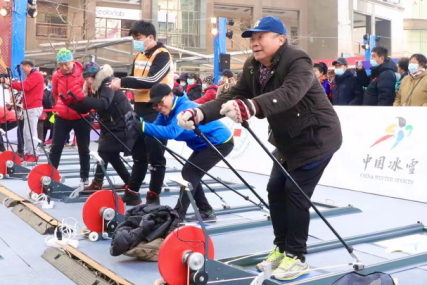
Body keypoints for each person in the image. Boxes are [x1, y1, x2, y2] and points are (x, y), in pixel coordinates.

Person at [177, 16, 342, 281]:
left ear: (280, 39)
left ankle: (296, 257)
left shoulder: (297, 60)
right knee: (275, 190)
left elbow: (290, 92)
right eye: (252, 38)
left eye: (261, 36)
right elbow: (231, 95)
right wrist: (199, 113)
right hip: (287, 141)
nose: (255, 43)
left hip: (316, 138)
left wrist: (252, 106)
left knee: (295, 194)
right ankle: (280, 248)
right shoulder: (254, 66)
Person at [125, 83, 233, 221]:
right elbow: (154, 129)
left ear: (171, 95)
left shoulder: (184, 107)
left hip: (220, 142)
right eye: (155, 105)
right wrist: (139, 121)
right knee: (191, 173)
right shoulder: (165, 112)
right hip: (203, 145)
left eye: (161, 102)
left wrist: (142, 126)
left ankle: (179, 214)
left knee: (190, 173)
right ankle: (206, 210)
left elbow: (172, 132)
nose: (159, 107)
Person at [109, 20, 174, 205]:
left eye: (138, 38)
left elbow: (152, 80)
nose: (135, 41)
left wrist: (122, 82)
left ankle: (153, 197)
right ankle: (132, 192)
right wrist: (120, 85)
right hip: (139, 108)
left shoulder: (162, 55)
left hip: (157, 110)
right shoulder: (139, 55)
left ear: (150, 37)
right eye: (134, 38)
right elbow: (135, 79)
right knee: (138, 154)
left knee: (155, 156)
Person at [66, 62, 136, 191]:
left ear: (95, 76)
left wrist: (82, 99)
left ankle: (98, 182)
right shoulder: (93, 88)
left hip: (122, 124)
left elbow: (104, 103)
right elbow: (85, 108)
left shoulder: (106, 83)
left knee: (104, 151)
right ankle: (129, 181)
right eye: (85, 78)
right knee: (112, 155)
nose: (87, 81)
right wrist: (72, 103)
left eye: (88, 78)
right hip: (110, 124)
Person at [49, 48, 91, 185]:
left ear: (73, 61)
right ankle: (50, 174)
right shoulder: (56, 75)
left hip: (81, 115)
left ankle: (84, 176)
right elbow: (55, 93)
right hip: (62, 116)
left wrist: (86, 107)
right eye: (61, 65)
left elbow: (89, 93)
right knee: (56, 147)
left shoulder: (83, 74)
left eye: (66, 64)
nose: (64, 67)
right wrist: (59, 107)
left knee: (83, 148)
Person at [2, 60, 44, 162]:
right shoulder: (33, 76)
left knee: (30, 132)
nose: (23, 71)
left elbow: (25, 86)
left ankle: (33, 153)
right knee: (26, 133)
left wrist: (9, 83)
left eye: (23, 68)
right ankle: (28, 153)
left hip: (33, 107)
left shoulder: (36, 75)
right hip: (29, 107)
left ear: (28, 66)